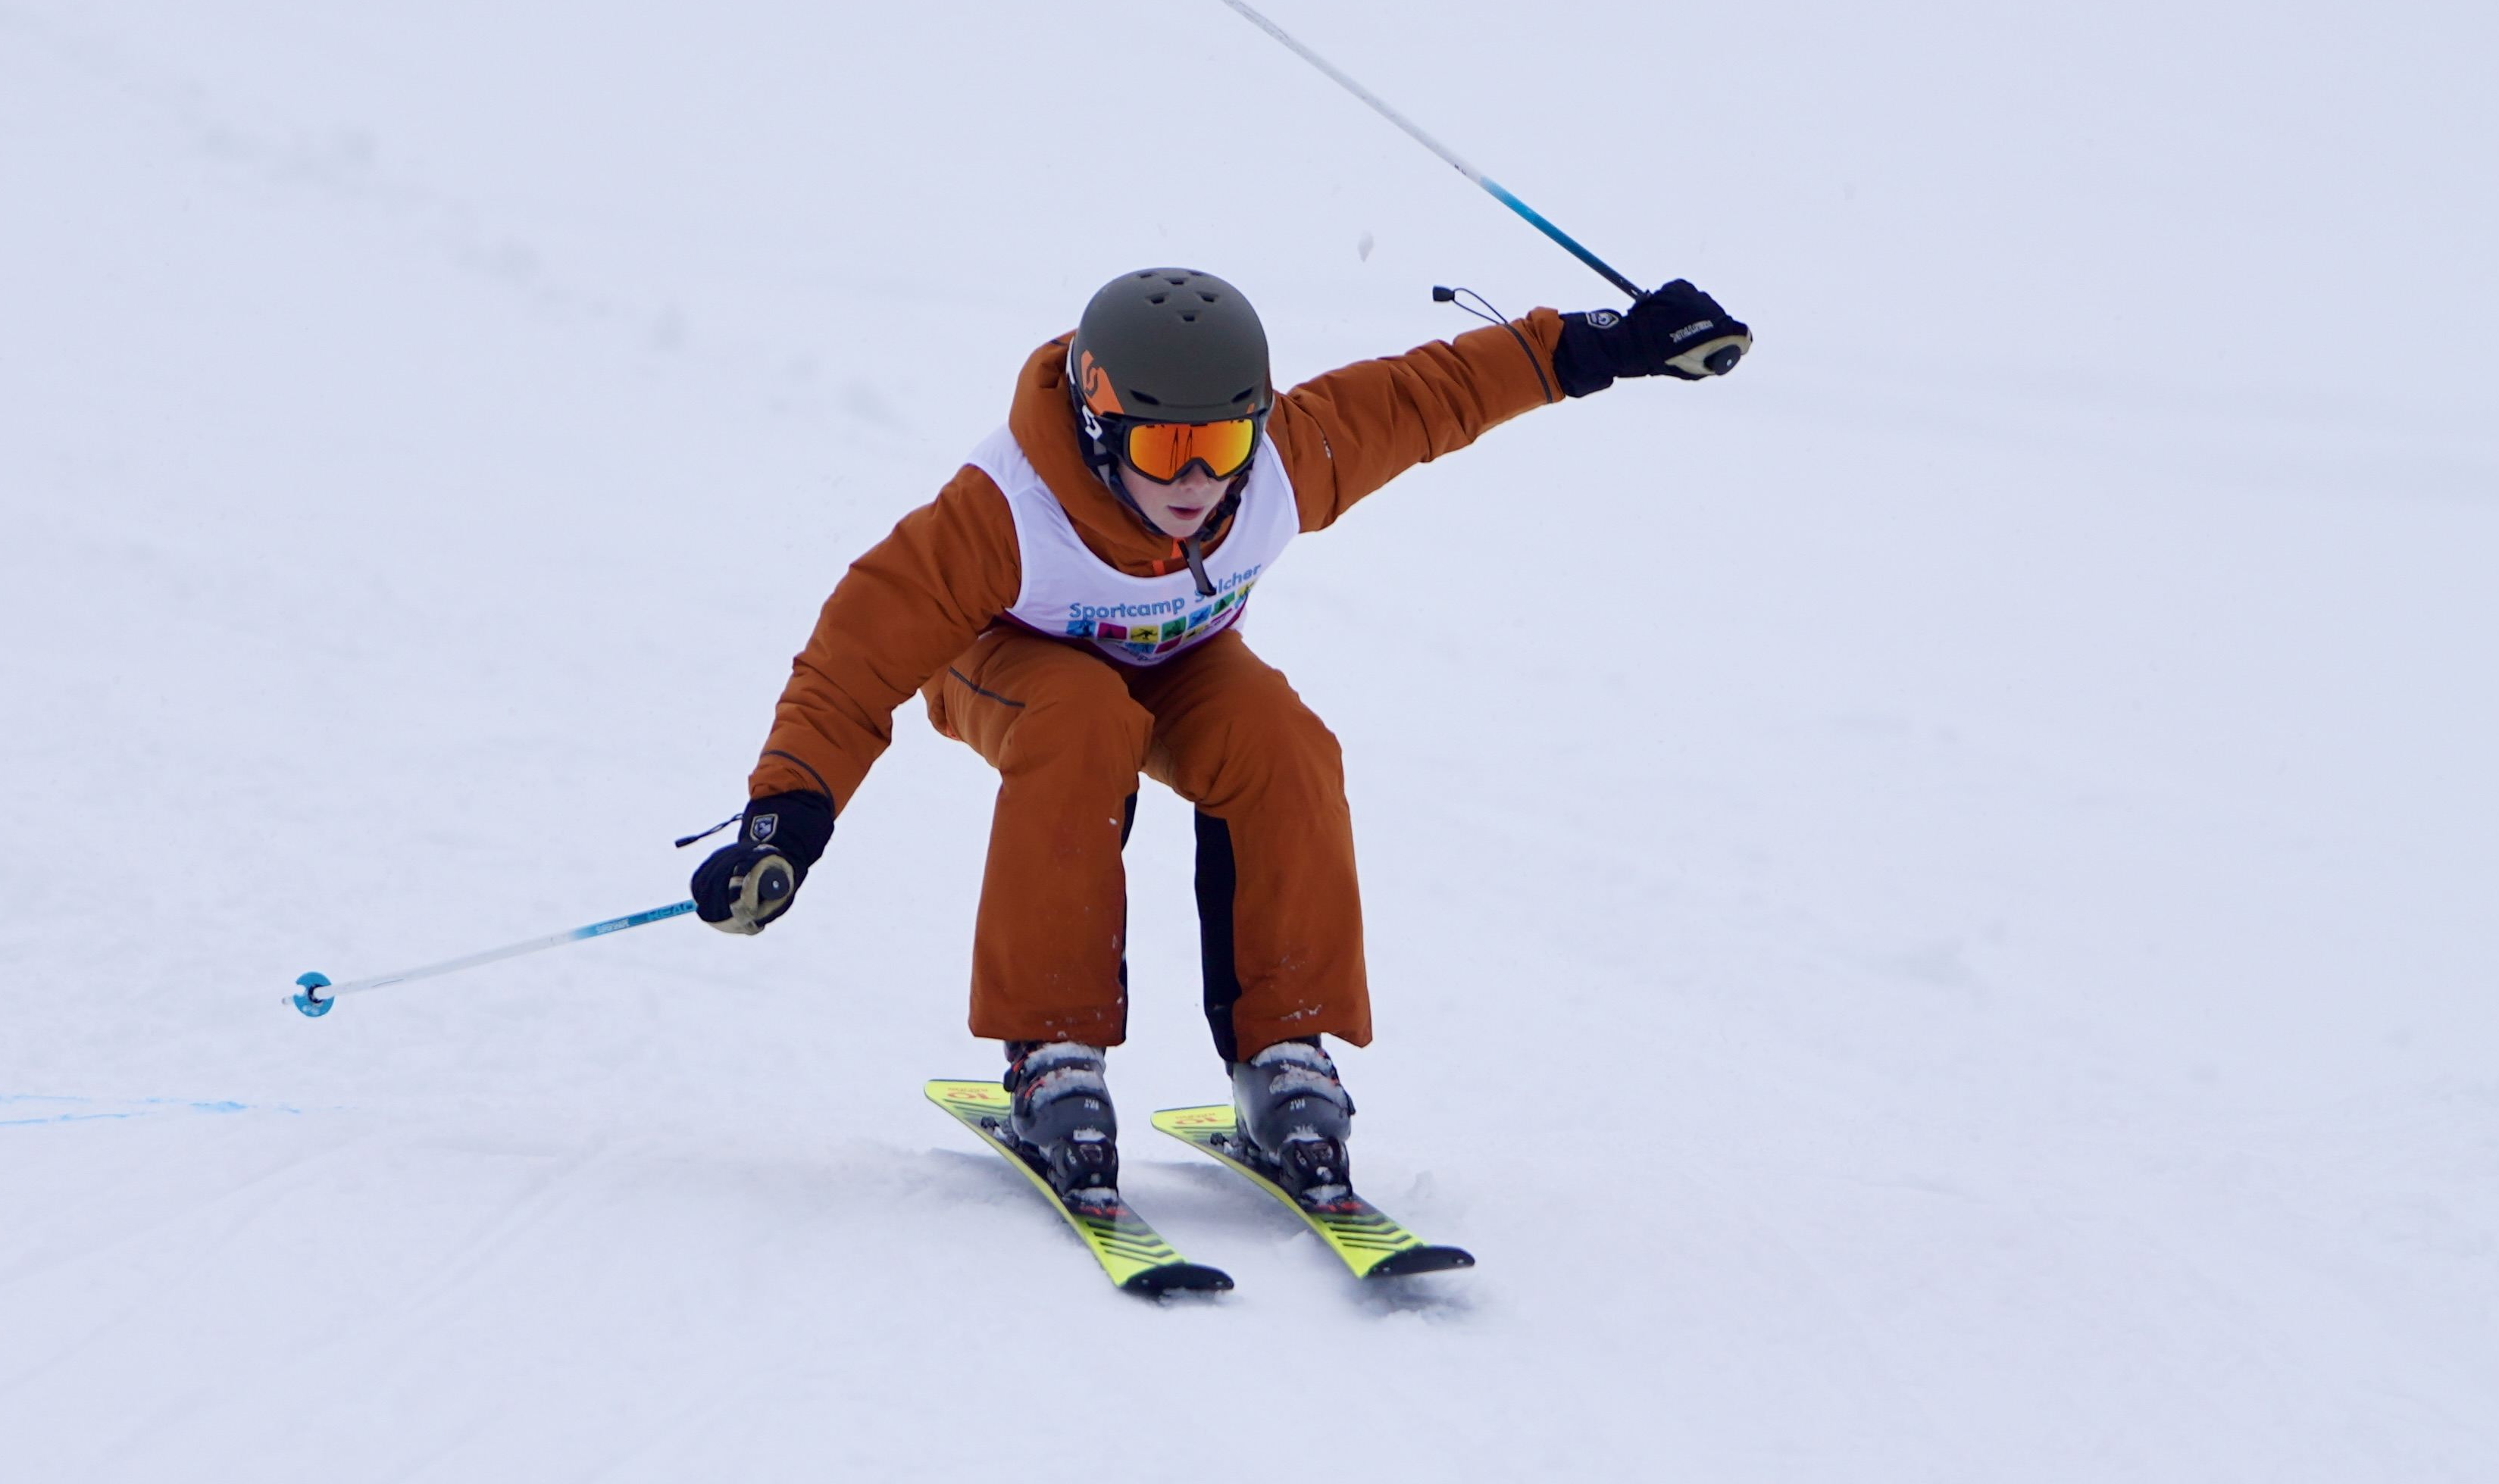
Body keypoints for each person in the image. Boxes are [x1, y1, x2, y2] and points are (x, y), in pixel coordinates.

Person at [689, 265, 1746, 1193]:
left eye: (1224, 441)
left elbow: (1435, 394)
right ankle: (1052, 1055)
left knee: (1281, 741)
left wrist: (1609, 344)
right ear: (1099, 426)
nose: (1198, 481)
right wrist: (786, 815)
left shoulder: (1283, 463)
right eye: (1166, 446)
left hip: (1179, 659)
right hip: (1006, 663)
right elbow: (856, 653)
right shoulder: (1004, 510)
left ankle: (1282, 1057)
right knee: (1079, 720)